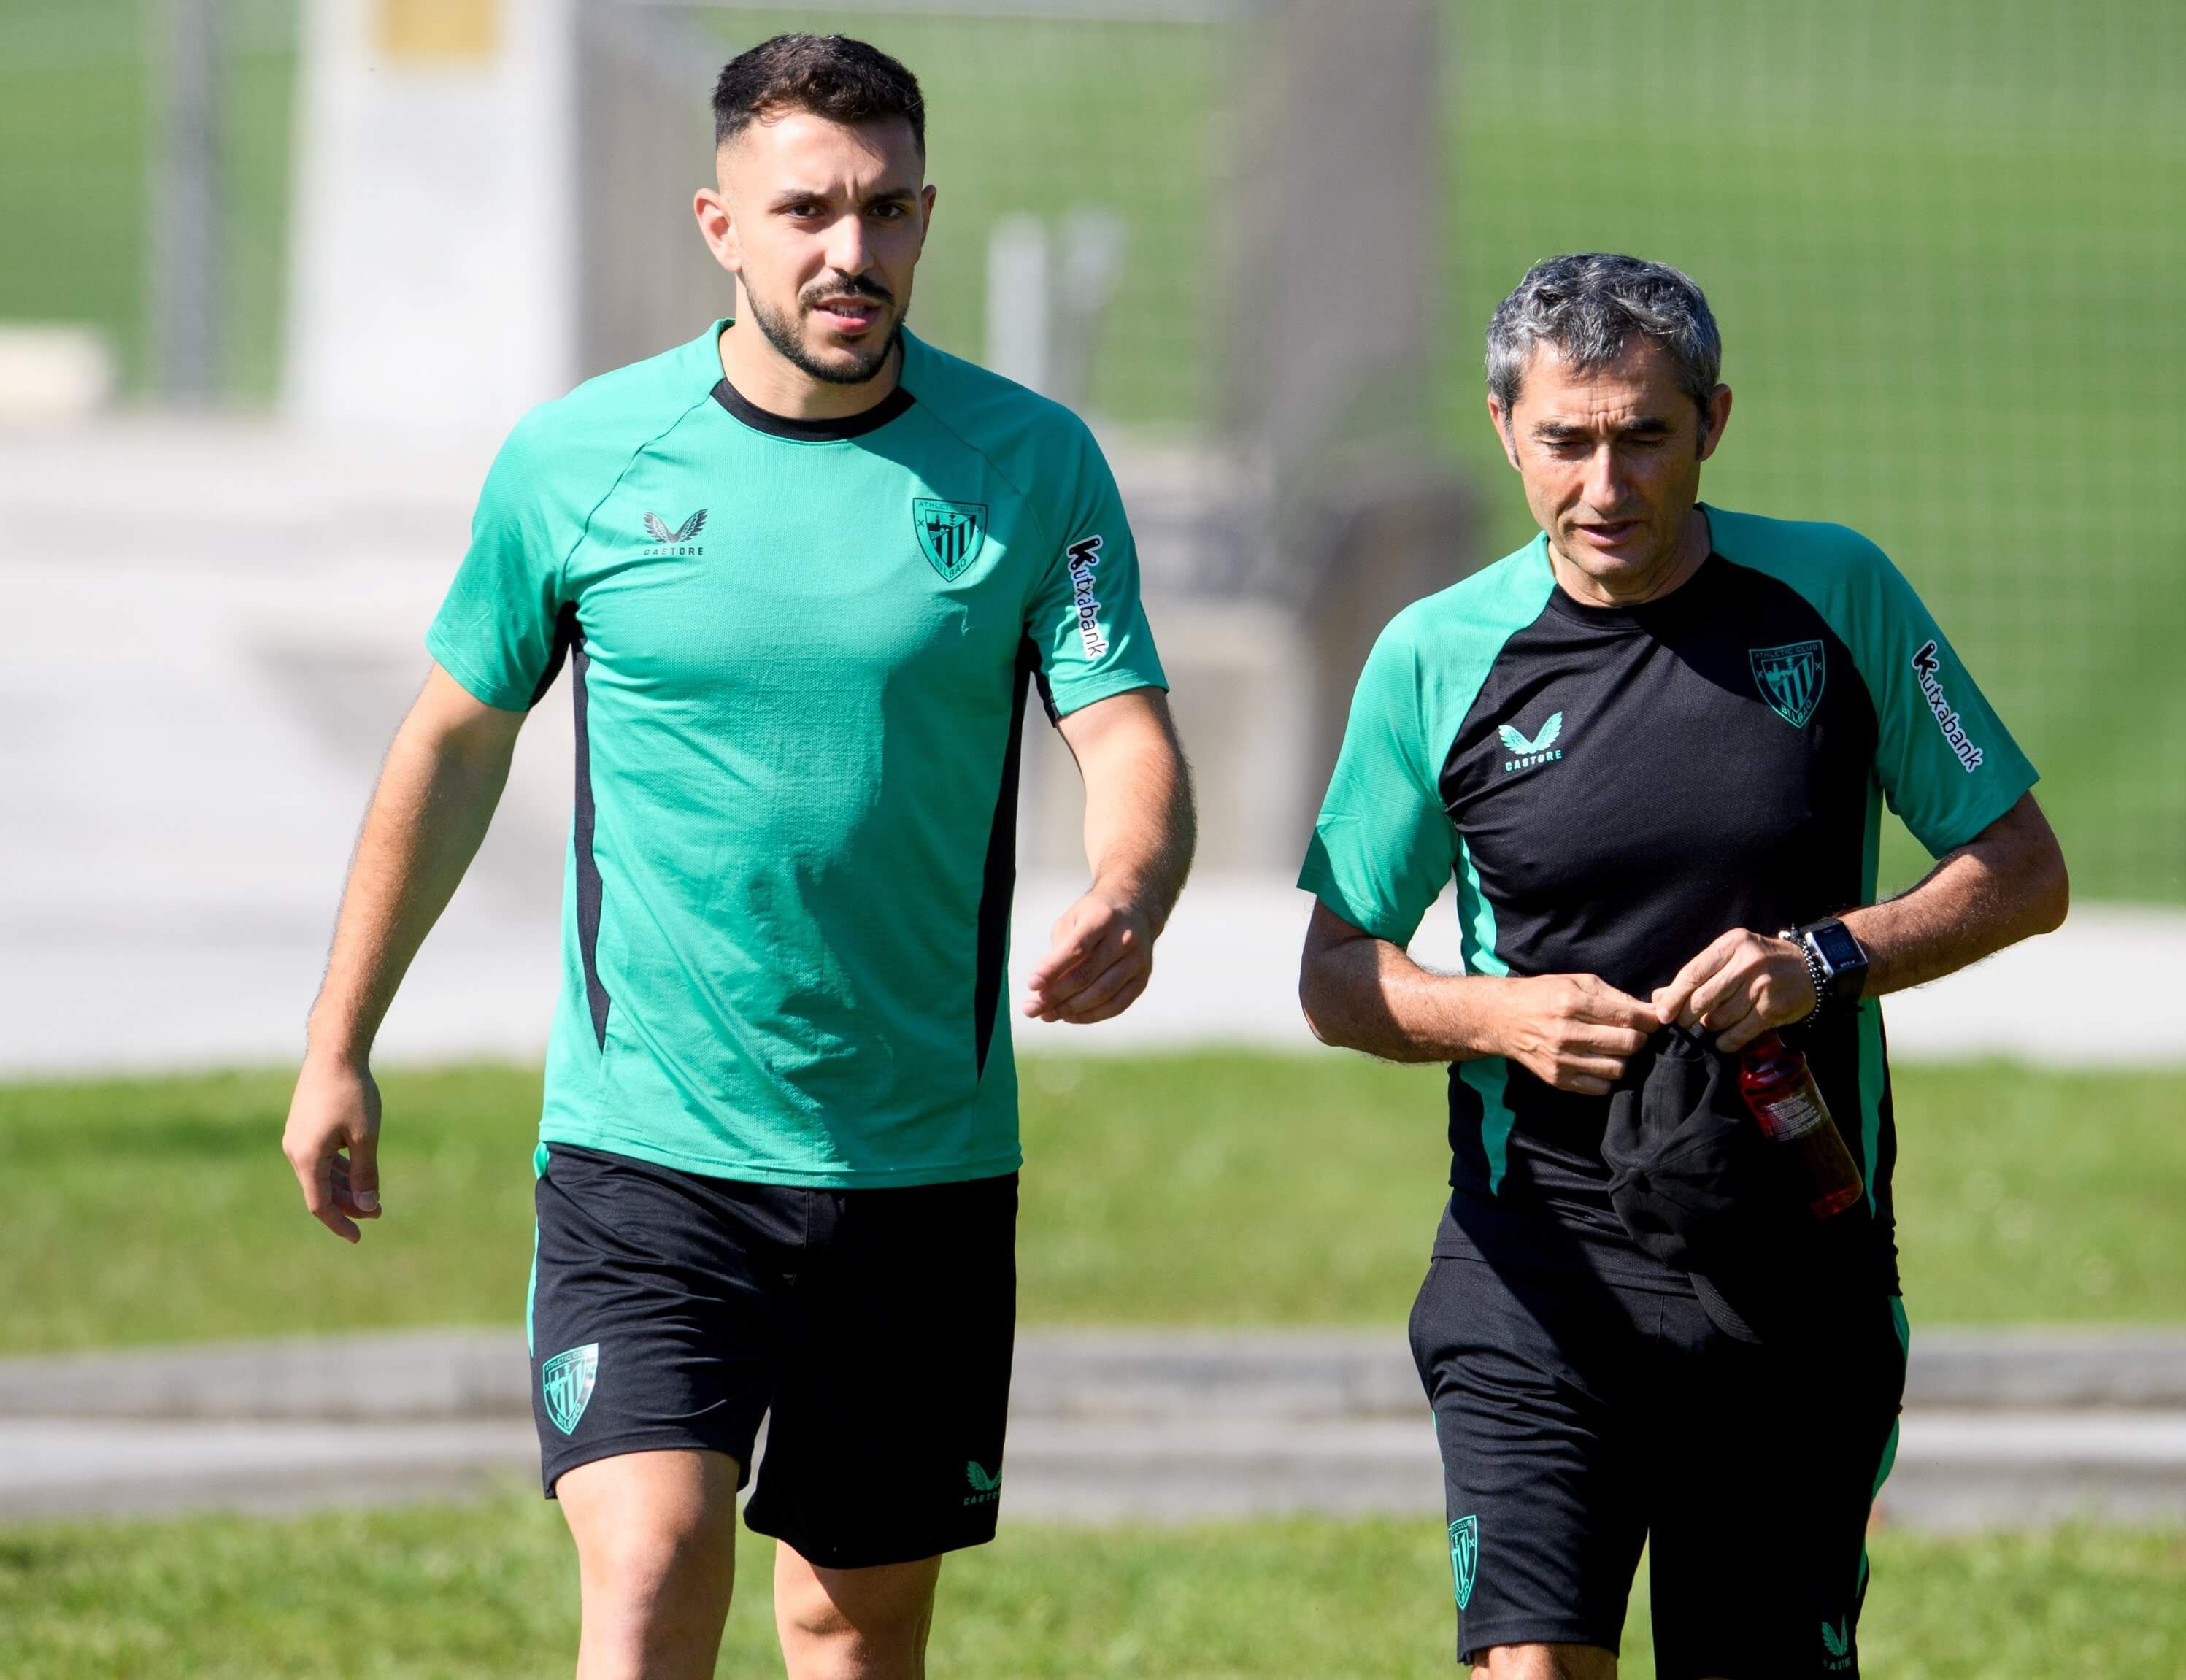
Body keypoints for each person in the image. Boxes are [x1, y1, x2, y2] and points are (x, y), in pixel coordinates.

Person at [280, 34, 1193, 1679]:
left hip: (917, 1155)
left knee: (850, 1628)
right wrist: (339, 1042)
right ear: (721, 223)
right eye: (808, 212)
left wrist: (1128, 889)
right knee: (647, 1564)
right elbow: (450, 742)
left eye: (888, 210)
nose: (852, 253)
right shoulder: (580, 458)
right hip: (651, 1146)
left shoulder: (1028, 459)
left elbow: (1122, 727)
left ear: (926, 215)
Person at [1296, 252, 2068, 1679]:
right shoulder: (1432, 653)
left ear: (1711, 422)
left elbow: (2022, 870)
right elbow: (1336, 971)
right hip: (1534, 1254)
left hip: (1792, 1258)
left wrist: (1822, 956)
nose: (1604, 483)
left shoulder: (1832, 594)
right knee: (1530, 1663)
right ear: (1501, 427)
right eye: (1565, 441)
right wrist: (1495, 1012)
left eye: (1643, 435)